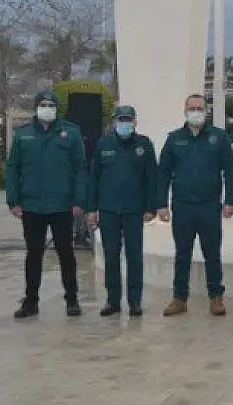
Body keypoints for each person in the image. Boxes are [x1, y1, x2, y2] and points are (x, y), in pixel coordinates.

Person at [5, 91, 87, 319]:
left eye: (51, 104)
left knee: (66, 253)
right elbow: (12, 168)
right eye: (43, 104)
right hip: (32, 205)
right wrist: (13, 200)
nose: (47, 108)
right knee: (33, 254)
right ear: (36, 107)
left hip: (62, 205)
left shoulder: (70, 133)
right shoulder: (23, 135)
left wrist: (79, 200)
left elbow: (80, 168)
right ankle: (30, 302)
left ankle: (72, 299)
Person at [157, 94, 233, 317]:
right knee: (182, 253)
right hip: (182, 206)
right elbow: (162, 172)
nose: (196, 112)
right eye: (191, 108)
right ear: (185, 111)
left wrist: (230, 200)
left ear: (206, 111)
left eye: (199, 108)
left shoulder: (218, 137)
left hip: (209, 205)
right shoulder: (174, 139)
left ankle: (216, 297)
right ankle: (179, 298)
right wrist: (161, 204)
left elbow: (230, 170)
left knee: (212, 253)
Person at [87, 105, 160, 317]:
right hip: (108, 209)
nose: (125, 124)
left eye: (128, 120)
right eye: (121, 120)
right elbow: (94, 178)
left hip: (134, 210)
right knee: (111, 256)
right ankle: (112, 301)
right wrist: (91, 208)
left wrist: (150, 206)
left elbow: (151, 178)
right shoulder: (103, 144)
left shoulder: (144, 145)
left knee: (134, 256)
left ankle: (135, 301)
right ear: (114, 121)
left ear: (135, 122)